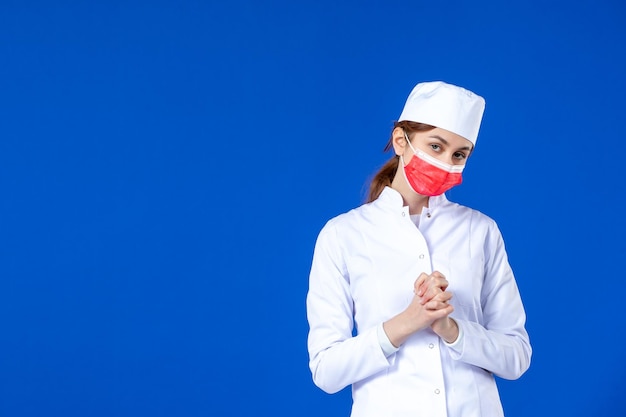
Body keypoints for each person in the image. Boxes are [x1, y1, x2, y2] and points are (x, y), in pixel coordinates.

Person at [306, 81, 531, 417]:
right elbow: (326, 370)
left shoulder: (480, 231)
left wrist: (452, 331)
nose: (446, 162)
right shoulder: (343, 235)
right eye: (436, 146)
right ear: (401, 140)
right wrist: (407, 322)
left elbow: (516, 357)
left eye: (459, 154)